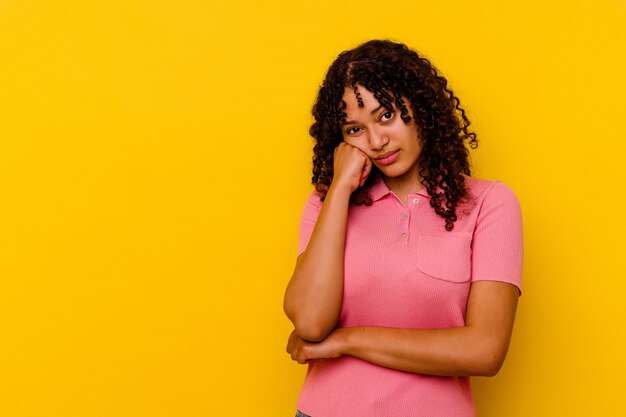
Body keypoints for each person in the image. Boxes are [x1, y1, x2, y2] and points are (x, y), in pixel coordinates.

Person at [283, 39, 523, 417]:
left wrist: (347, 341)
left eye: (386, 116)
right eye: (354, 129)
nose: (377, 142)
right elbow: (311, 322)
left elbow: (485, 350)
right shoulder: (328, 203)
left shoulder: (489, 204)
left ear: (421, 107)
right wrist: (342, 189)